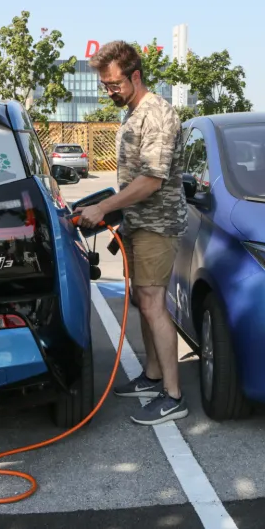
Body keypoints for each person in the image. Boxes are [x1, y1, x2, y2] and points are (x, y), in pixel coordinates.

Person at [75, 40, 189, 426]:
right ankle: (153, 376)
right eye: (105, 86)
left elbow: (152, 181)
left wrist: (104, 208)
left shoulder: (156, 114)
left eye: (114, 84)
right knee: (143, 298)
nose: (110, 92)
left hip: (158, 225)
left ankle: (173, 396)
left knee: (154, 303)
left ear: (135, 76)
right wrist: (122, 220)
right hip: (139, 223)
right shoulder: (133, 113)